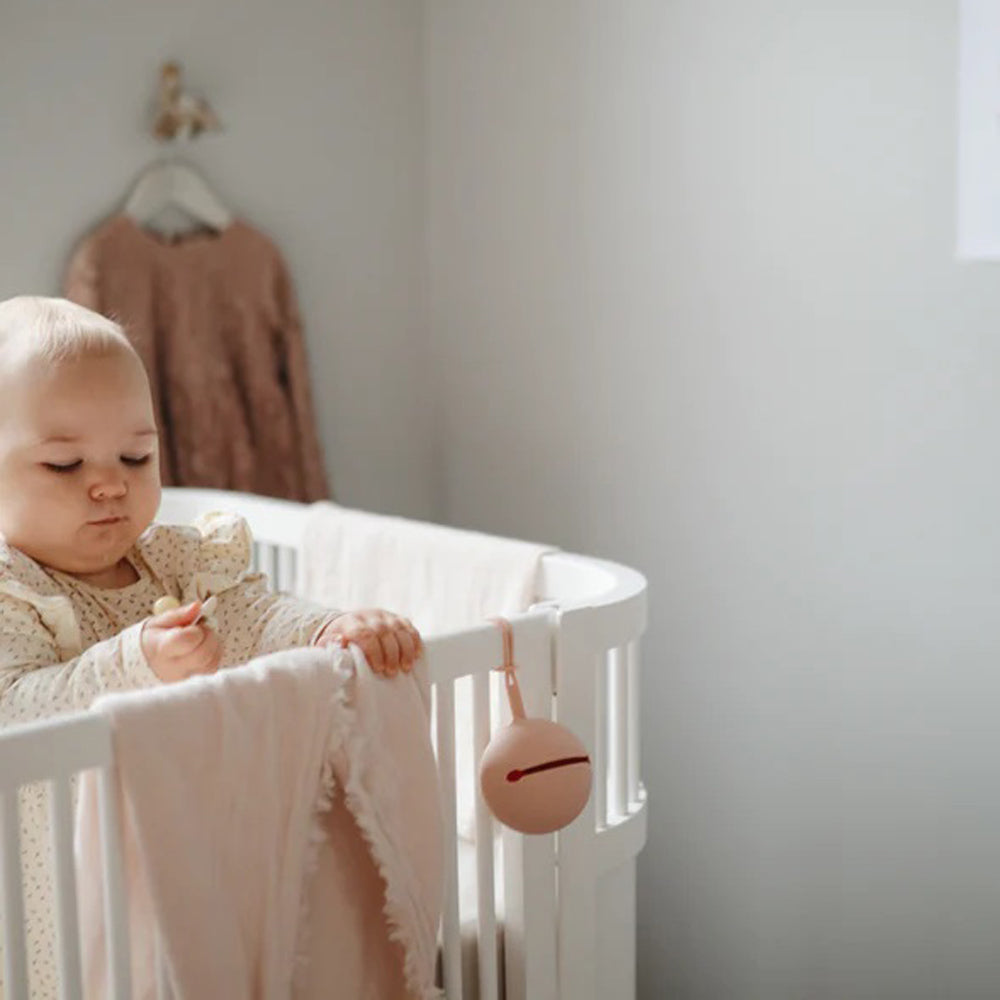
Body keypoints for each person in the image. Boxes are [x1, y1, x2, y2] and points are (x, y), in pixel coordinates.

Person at [0, 294, 423, 997]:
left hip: (183, 843)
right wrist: (131, 662)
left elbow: (257, 614)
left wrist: (326, 629)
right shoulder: (12, 592)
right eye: (65, 464)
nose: (110, 483)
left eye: (136, 455)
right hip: (58, 873)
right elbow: (14, 709)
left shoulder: (177, 562)